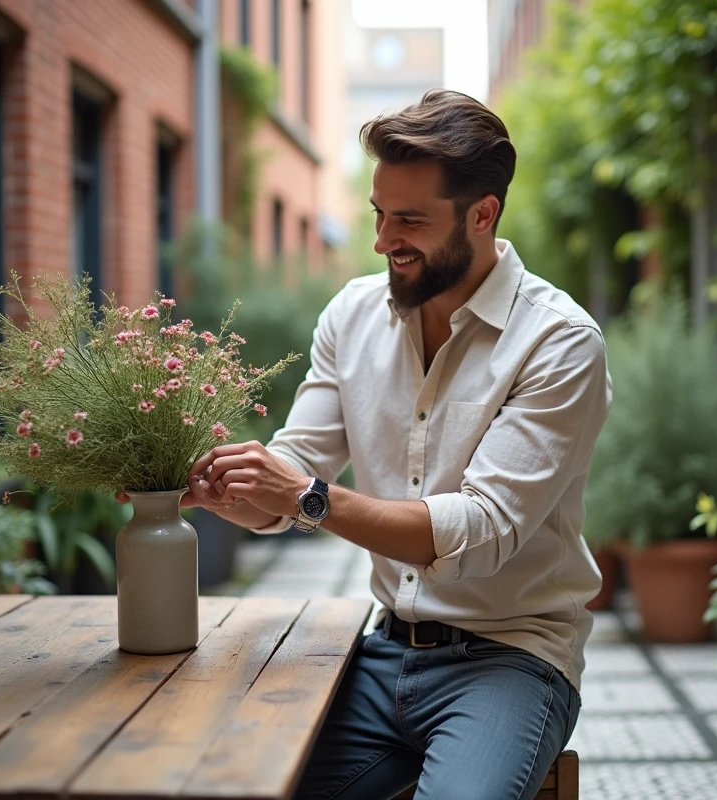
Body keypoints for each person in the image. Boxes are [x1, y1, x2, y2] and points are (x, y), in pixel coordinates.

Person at [184, 89, 611, 800]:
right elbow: (294, 476)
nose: (383, 241)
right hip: (381, 651)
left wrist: (304, 497)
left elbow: (480, 533)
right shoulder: (352, 315)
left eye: (410, 220)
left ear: (483, 214)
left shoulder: (560, 343)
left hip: (511, 661)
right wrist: (228, 490)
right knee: (227, 779)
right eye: (379, 216)